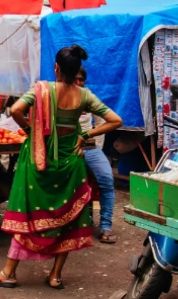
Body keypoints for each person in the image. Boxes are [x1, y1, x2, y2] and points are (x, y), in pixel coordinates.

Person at [0, 45, 122, 289]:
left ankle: (9, 272)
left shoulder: (41, 89)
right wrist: (86, 136)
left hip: (39, 159)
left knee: (29, 214)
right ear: (76, 70)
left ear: (56, 67)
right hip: (71, 163)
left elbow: (15, 110)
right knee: (67, 218)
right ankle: (55, 275)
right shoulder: (84, 95)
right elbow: (115, 120)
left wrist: (31, 130)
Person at [75, 68, 118, 245]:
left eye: (81, 80)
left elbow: (103, 121)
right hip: (68, 148)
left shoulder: (88, 97)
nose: (78, 83)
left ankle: (106, 226)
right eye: (75, 79)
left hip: (89, 146)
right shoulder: (59, 96)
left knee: (107, 178)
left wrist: (95, 145)